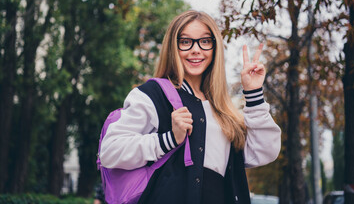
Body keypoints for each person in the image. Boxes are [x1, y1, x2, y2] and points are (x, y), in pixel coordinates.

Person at [100, 10, 281, 204]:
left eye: (205, 41)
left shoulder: (223, 110)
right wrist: (169, 139)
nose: (196, 50)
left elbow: (264, 151)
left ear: (214, 48)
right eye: (185, 41)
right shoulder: (153, 95)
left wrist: (253, 93)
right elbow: (110, 152)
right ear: (173, 47)